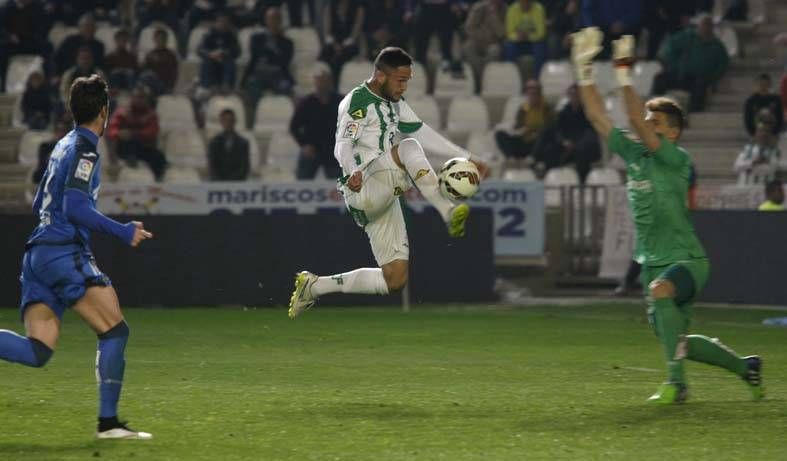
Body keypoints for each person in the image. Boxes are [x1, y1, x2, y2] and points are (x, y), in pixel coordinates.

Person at [572, 28, 762, 404]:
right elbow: (596, 115)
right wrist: (583, 69)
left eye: (655, 122)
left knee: (663, 293)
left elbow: (635, 119)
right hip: (650, 262)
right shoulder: (634, 154)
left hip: (685, 260)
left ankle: (677, 386)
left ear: (673, 133)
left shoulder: (676, 159)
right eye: (649, 121)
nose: (647, 125)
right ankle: (747, 367)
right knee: (677, 341)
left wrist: (624, 72)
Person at [0, 75, 153, 439]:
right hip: (61, 252)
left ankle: (109, 423)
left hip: (38, 253)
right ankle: (108, 423)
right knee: (115, 330)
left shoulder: (61, 145)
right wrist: (123, 230)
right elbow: (75, 207)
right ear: (104, 112)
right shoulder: (85, 149)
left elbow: (41, 202)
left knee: (38, 351)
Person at [287, 47, 488, 318]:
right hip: (362, 185)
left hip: (382, 196)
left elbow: (422, 131)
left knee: (394, 279)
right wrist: (352, 170)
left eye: (407, 80)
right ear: (381, 76)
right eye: (400, 80)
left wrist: (467, 157)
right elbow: (342, 145)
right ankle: (448, 210)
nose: (404, 87)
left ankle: (314, 286)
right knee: (407, 148)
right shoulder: (357, 101)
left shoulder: (395, 102)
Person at [651, 14, 729, 112]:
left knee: (700, 86)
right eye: (704, 25)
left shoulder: (718, 46)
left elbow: (723, 64)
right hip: (679, 74)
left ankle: (694, 112)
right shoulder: (687, 37)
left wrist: (711, 78)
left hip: (698, 79)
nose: (706, 28)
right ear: (699, 26)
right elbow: (670, 47)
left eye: (709, 25)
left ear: (712, 28)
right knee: (660, 79)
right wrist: (673, 65)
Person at [532, 83, 600, 181]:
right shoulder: (564, 112)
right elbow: (558, 130)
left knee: (582, 153)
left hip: (583, 148)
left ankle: (581, 183)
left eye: (577, 95)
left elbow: (590, 133)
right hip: (567, 146)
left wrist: (576, 144)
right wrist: (564, 141)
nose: (574, 97)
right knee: (550, 148)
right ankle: (549, 177)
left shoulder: (588, 113)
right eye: (572, 95)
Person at [290, 64, 343, 179]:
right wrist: (304, 145)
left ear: (331, 82)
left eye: (325, 81)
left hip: (333, 149)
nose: (322, 84)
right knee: (303, 182)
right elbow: (294, 127)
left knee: (339, 184)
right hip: (312, 148)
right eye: (320, 81)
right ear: (315, 82)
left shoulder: (341, 101)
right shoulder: (307, 103)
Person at [106, 86, 168, 180]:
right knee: (129, 143)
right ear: (132, 98)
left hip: (143, 147)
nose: (140, 100)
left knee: (159, 157)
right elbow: (111, 129)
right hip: (125, 147)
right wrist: (119, 133)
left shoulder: (151, 115)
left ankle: (157, 181)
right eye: (138, 97)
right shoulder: (122, 113)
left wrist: (134, 133)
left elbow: (152, 132)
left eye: (143, 97)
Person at [241, 6, 294, 104]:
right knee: (251, 86)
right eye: (270, 18)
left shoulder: (287, 42)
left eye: (276, 18)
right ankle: (253, 117)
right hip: (258, 74)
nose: (273, 21)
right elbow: (254, 57)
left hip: (278, 75)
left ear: (280, 21)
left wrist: (275, 45)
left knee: (286, 87)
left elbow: (285, 62)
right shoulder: (256, 38)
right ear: (266, 20)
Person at [494, 79, 555, 164]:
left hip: (537, 142)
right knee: (500, 134)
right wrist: (520, 131)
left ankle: (532, 157)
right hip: (524, 140)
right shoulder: (523, 109)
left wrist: (534, 131)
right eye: (529, 94)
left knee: (545, 135)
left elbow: (550, 127)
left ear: (539, 95)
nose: (532, 97)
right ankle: (511, 158)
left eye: (534, 94)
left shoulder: (547, 108)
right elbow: (518, 126)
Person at [319, 0, 365, 80]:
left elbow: (355, 32)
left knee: (342, 56)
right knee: (327, 52)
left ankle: (336, 83)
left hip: (349, 42)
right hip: (334, 42)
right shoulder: (330, 6)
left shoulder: (358, 8)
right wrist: (335, 45)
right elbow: (327, 32)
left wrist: (342, 46)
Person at [198, 11, 241, 91]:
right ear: (216, 23)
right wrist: (211, 54)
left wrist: (224, 52)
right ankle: (207, 87)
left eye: (225, 22)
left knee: (229, 61)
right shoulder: (209, 34)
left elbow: (237, 51)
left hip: (225, 60)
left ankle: (226, 85)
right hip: (212, 59)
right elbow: (200, 50)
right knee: (207, 61)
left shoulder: (231, 35)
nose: (223, 24)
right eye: (220, 22)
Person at [504, 0, 547, 78]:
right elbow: (509, 33)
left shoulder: (539, 9)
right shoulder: (512, 9)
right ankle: (510, 77)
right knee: (509, 46)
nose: (525, 3)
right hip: (518, 42)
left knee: (540, 46)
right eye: (523, 2)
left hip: (533, 42)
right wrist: (518, 37)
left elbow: (541, 33)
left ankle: (536, 79)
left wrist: (528, 36)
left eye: (527, 2)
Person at [208, 109, 251, 181]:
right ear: (221, 121)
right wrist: (221, 182)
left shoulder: (243, 143)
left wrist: (232, 183)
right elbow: (212, 166)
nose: (228, 123)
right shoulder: (214, 143)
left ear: (234, 121)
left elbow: (244, 167)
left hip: (237, 184)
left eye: (231, 120)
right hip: (218, 185)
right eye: (226, 120)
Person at [32, 118, 71, 184]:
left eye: (63, 130)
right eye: (58, 130)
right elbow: (41, 167)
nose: (60, 133)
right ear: (54, 132)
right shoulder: (45, 147)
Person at [142, 27, 179, 93]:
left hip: (163, 85)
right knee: (146, 75)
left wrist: (170, 87)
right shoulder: (150, 54)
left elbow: (174, 74)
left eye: (162, 39)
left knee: (149, 75)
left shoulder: (170, 55)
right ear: (155, 39)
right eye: (158, 38)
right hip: (150, 83)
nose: (160, 41)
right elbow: (144, 69)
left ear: (166, 40)